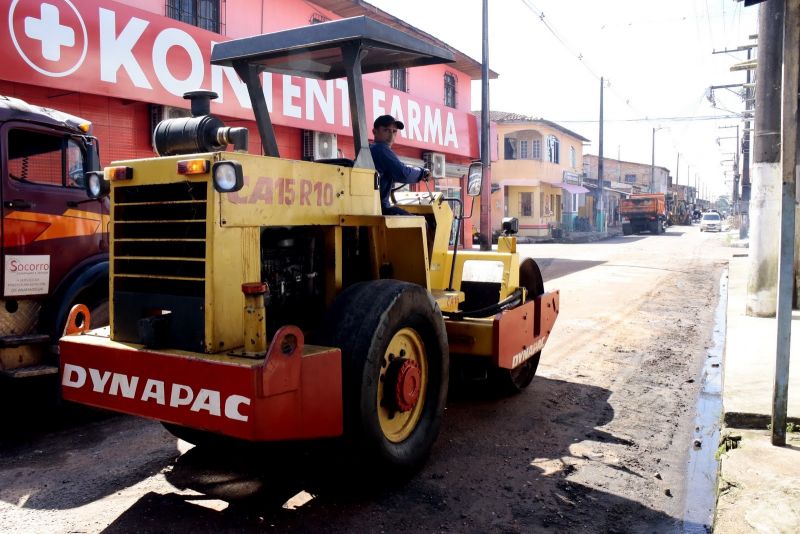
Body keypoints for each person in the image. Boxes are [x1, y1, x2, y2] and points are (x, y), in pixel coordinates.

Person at [370, 115, 431, 215]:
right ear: (374, 131)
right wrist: (422, 173)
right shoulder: (381, 149)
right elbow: (403, 173)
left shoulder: (371, 149)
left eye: (394, 131)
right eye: (386, 130)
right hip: (380, 209)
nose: (391, 136)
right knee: (419, 223)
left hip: (373, 206)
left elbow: (399, 168)